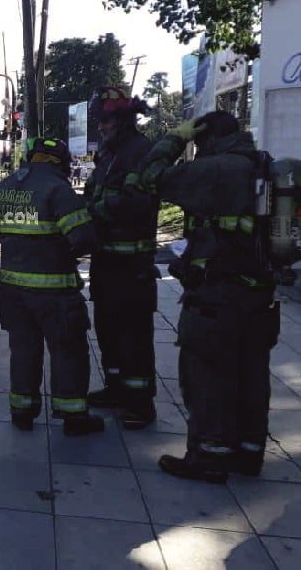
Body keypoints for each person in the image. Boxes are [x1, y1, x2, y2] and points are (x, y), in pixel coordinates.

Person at [131, 110, 279, 482]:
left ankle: (209, 457)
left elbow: (147, 179)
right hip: (259, 294)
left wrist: (174, 139)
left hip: (217, 295)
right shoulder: (265, 167)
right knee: (251, 374)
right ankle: (248, 453)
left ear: (206, 138)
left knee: (208, 375)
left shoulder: (216, 169)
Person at [0, 137, 104, 435]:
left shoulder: (4, 187)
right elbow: (83, 238)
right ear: (60, 160)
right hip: (54, 291)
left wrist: (11, 240)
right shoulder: (59, 190)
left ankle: (22, 411)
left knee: (23, 350)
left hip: (12, 289)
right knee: (67, 351)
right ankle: (73, 418)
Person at [84, 87, 160, 430]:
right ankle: (115, 388)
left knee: (134, 335)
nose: (101, 127)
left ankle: (140, 404)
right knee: (108, 329)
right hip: (106, 262)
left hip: (132, 266)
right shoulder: (109, 155)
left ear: (125, 120)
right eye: (99, 121)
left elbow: (137, 202)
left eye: (106, 120)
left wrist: (94, 211)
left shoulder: (140, 152)